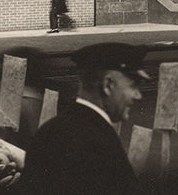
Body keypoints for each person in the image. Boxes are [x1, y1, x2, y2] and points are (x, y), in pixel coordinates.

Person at [20, 42, 151, 195]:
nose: (138, 95)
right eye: (133, 86)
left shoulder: (49, 130)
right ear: (108, 85)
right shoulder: (99, 142)